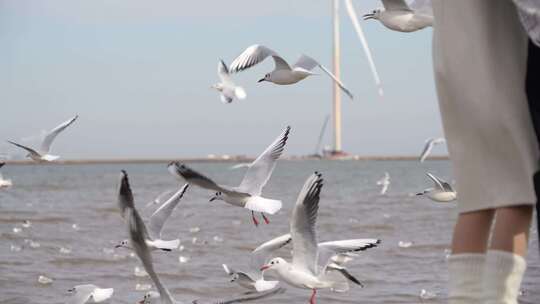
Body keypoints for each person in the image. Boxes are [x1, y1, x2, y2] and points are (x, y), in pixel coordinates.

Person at [431, 1, 539, 303]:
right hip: (497, 60)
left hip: (451, 65)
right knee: (517, 196)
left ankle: (464, 299)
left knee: (475, 201)